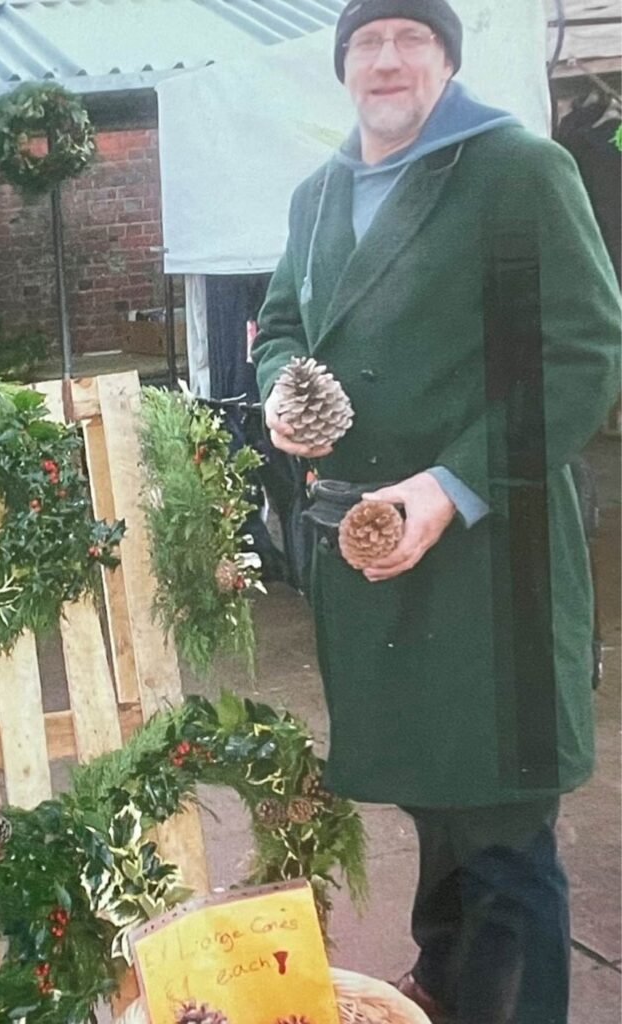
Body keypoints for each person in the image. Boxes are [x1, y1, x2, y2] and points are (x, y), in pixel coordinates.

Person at [251, 2, 621, 1022]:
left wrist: (446, 486)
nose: (386, 58)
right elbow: (279, 322)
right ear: (342, 66)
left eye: (411, 37)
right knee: (438, 808)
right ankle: (452, 991)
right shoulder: (319, 193)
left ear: (447, 61)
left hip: (489, 560)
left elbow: (585, 354)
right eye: (366, 41)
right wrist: (285, 386)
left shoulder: (516, 171)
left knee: (503, 828)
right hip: (362, 559)